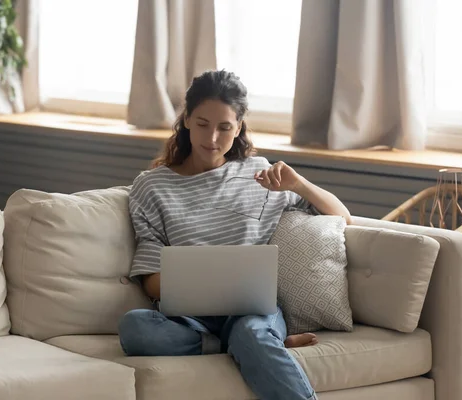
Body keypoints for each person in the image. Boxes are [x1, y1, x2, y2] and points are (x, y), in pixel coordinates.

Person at [118, 70, 351, 400]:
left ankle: (254, 343)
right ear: (186, 120)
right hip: (189, 320)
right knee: (134, 327)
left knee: (252, 332)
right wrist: (200, 280)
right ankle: (244, 347)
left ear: (238, 127)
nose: (212, 137)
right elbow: (152, 282)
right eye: (202, 123)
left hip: (252, 312)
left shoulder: (259, 176)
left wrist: (298, 184)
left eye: (224, 127)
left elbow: (343, 218)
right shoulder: (153, 186)